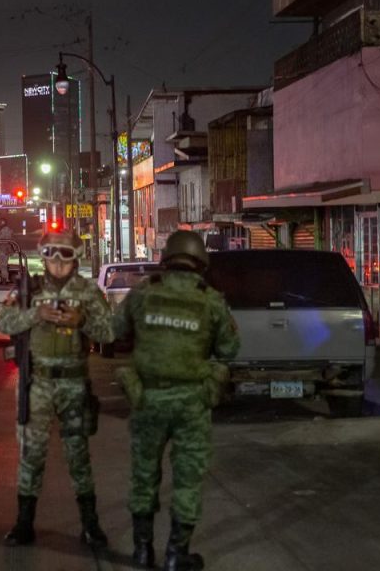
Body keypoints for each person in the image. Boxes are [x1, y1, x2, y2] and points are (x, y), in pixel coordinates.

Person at [112, 230, 240, 571]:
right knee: (187, 478)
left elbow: (115, 329)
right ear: (201, 262)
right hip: (191, 403)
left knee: (143, 474)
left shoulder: (143, 292)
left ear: (166, 259)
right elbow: (229, 350)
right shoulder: (210, 300)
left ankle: (141, 551)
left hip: (147, 398)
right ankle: (175, 555)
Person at [0, 229, 114, 548]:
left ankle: (90, 526)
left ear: (75, 259)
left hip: (73, 384)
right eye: (51, 255)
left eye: (65, 256)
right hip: (37, 383)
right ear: (43, 257)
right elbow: (4, 324)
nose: (57, 263)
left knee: (78, 456)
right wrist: (36, 314)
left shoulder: (89, 291)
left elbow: (108, 334)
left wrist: (81, 321)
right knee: (31, 455)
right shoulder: (29, 290)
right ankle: (24, 524)